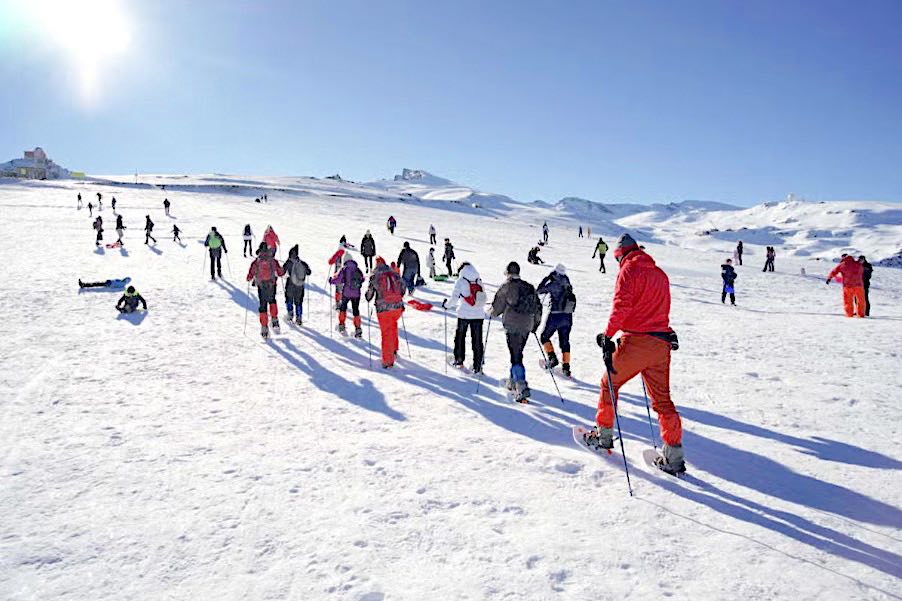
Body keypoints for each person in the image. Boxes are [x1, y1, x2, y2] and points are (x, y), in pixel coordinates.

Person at [586, 233, 685, 475]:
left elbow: (622, 305)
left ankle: (603, 436)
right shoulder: (660, 274)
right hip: (660, 345)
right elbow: (661, 308)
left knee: (609, 384)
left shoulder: (629, 270)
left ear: (621, 255)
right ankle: (673, 456)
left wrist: (607, 334)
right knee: (663, 401)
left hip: (636, 342)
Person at [490, 262, 542, 402]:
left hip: (513, 325)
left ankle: (521, 386)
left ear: (508, 273)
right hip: (527, 325)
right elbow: (537, 307)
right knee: (517, 352)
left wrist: (491, 313)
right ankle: (512, 382)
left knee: (516, 355)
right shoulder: (529, 287)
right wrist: (535, 325)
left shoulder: (507, 286)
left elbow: (497, 308)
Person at [442, 262, 486, 372]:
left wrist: (446, 305)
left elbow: (454, 299)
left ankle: (459, 360)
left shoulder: (461, 281)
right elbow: (484, 296)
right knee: (477, 340)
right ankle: (478, 366)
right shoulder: (478, 279)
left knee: (460, 338)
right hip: (479, 314)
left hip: (464, 314)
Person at [365, 257, 406, 368]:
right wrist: (397, 297)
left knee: (386, 332)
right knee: (393, 326)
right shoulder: (393, 273)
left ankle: (388, 361)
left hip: (384, 309)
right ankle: (394, 349)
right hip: (397, 307)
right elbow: (403, 286)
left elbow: (369, 294)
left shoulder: (375, 276)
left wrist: (369, 297)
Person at [537, 264, 576, 378]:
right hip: (567, 317)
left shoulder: (553, 283)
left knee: (544, 337)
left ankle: (552, 358)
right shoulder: (567, 282)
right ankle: (566, 367)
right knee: (565, 341)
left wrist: (547, 278)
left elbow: (539, 290)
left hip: (555, 316)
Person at [247, 242, 285, 338]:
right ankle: (275, 320)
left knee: (263, 306)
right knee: (272, 301)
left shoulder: (256, 262)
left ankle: (264, 328)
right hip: (272, 285)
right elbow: (280, 272)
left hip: (261, 286)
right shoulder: (272, 260)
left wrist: (249, 278)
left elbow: (250, 274)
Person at [330, 255, 365, 337]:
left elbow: (338, 280)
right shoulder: (357, 269)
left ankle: (342, 325)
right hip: (356, 294)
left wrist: (331, 280)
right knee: (356, 310)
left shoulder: (344, 269)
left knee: (343, 308)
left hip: (346, 293)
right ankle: (358, 328)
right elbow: (362, 279)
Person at [282, 245, 311, 325]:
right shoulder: (302, 263)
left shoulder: (288, 262)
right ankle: (299, 318)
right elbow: (309, 272)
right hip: (300, 286)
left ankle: (290, 314)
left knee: (289, 300)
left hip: (290, 285)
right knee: (299, 302)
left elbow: (282, 272)